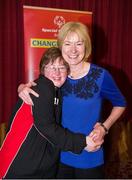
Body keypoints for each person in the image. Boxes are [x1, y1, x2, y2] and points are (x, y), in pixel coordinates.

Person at [17, 22, 126, 179]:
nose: (73, 50)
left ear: (86, 46)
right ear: (61, 46)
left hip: (89, 154)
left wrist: (104, 127)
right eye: (68, 43)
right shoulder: (56, 75)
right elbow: (35, 86)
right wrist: (21, 88)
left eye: (79, 43)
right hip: (58, 155)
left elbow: (120, 103)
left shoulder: (101, 76)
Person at [0, 47, 102, 179]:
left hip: (37, 164)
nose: (57, 72)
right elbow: (47, 128)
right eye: (51, 67)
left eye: (62, 67)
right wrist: (83, 142)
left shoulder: (58, 91)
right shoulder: (43, 88)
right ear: (42, 71)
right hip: (18, 166)